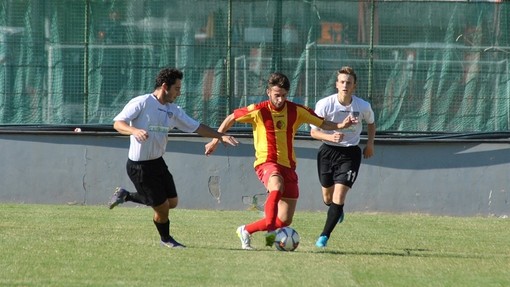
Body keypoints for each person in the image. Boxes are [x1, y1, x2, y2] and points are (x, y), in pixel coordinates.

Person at [205, 72, 357, 250]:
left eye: (284, 95)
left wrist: (340, 126)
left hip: (289, 166)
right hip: (266, 162)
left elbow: (322, 123)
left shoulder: (296, 110)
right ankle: (270, 234)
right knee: (276, 186)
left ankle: (245, 230)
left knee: (284, 219)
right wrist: (216, 140)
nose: (280, 99)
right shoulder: (258, 110)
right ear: (268, 92)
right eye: (277, 95)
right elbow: (231, 117)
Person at [108, 68, 239, 248]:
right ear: (165, 87)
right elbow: (118, 123)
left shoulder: (173, 110)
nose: (179, 92)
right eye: (176, 88)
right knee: (162, 208)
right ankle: (166, 239)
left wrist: (220, 135)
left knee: (172, 202)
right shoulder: (142, 102)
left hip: (157, 162)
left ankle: (126, 195)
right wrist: (134, 130)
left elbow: (197, 127)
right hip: (139, 167)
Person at [309, 66, 376, 248]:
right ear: (337, 84)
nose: (345, 85)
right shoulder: (325, 104)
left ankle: (324, 236)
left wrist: (370, 144)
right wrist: (330, 136)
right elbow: (313, 132)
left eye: (349, 82)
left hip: (350, 153)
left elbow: (371, 123)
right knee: (327, 197)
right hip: (327, 151)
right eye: (342, 82)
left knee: (339, 195)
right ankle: (337, 210)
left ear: (354, 86)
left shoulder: (362, 106)